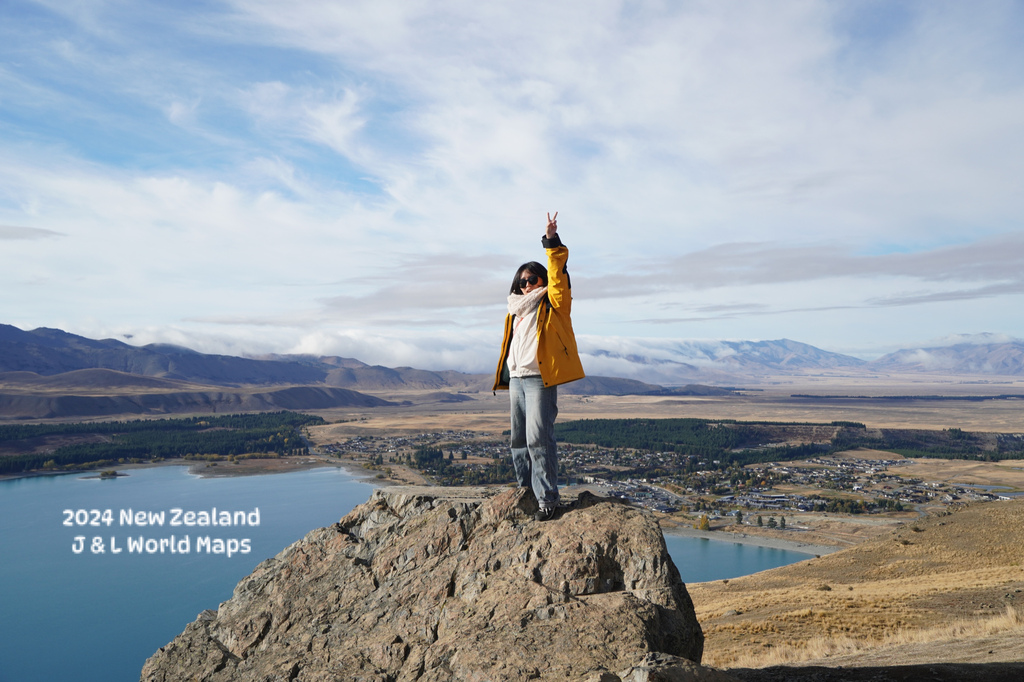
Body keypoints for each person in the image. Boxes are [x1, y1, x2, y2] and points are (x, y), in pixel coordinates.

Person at [493, 212, 585, 521]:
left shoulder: (555, 303)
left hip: (538, 380)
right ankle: (526, 494)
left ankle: (548, 500)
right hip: (517, 380)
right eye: (522, 281)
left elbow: (558, 277)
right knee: (518, 440)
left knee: (538, 438)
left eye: (533, 279)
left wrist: (551, 241)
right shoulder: (515, 312)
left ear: (542, 280)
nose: (528, 284)